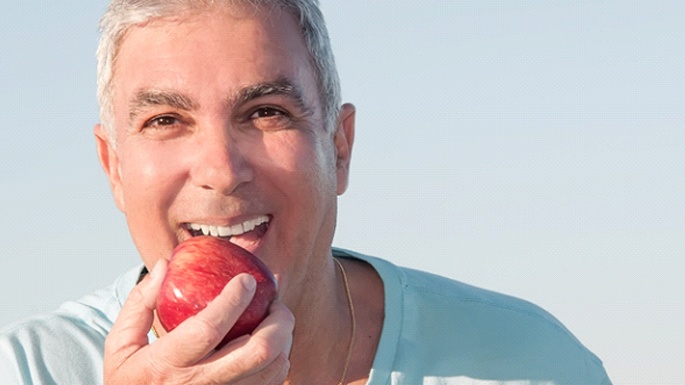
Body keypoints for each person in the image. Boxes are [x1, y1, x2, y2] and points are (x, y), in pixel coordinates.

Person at [0, 0, 612, 384]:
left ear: (339, 148)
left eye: (266, 112)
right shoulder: (26, 370)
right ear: (113, 168)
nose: (221, 169)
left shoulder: (531, 365)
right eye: (165, 121)